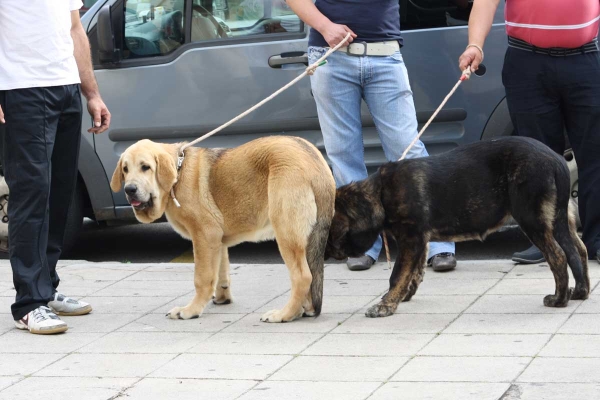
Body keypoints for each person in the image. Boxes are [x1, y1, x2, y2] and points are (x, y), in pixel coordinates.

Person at [286, 0, 457, 272]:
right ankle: (362, 243)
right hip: (330, 55)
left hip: (385, 54)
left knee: (407, 149)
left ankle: (437, 242)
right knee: (343, 153)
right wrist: (325, 26)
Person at [459, 0, 600, 265]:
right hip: (527, 63)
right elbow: (485, 3)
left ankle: (598, 239)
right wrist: (475, 44)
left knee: (596, 153)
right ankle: (544, 240)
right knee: (537, 159)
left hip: (585, 61)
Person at [0, 0, 111, 334]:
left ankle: (45, 286)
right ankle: (29, 303)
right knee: (31, 193)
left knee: (59, 193)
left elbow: (75, 29)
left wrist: (91, 93)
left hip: (65, 89)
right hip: (21, 89)